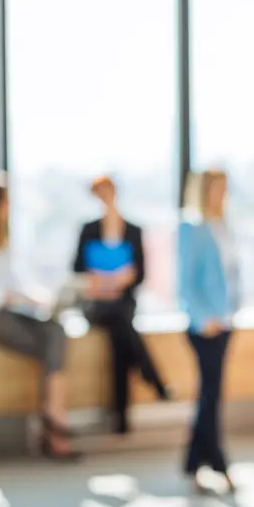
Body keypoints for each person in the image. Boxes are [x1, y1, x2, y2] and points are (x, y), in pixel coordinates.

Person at [0, 180, 80, 461]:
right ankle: (55, 421)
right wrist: (13, 297)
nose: (9, 209)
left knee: (55, 331)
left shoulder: (3, 239)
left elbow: (14, 282)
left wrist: (35, 298)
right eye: (6, 203)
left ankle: (54, 417)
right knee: (52, 343)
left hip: (11, 311)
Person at [74, 176, 170, 434]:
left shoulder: (133, 231)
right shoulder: (88, 229)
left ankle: (122, 419)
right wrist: (105, 281)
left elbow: (140, 275)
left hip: (122, 303)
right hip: (96, 304)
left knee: (120, 338)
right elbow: (77, 271)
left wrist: (123, 280)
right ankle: (152, 376)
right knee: (122, 327)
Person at [178, 170, 239, 494]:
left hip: (227, 321)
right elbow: (185, 283)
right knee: (209, 396)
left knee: (211, 395)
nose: (222, 194)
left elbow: (231, 275)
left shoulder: (223, 226)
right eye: (217, 189)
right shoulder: (192, 227)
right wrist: (204, 318)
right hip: (205, 326)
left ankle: (194, 465)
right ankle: (218, 464)